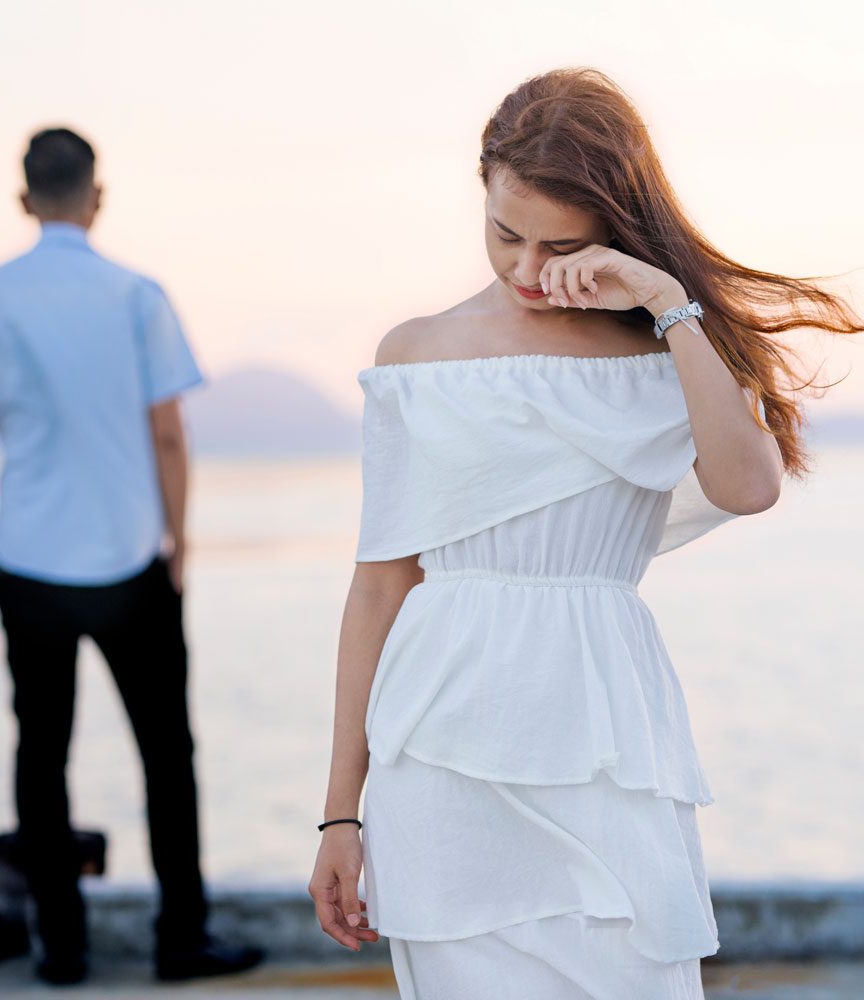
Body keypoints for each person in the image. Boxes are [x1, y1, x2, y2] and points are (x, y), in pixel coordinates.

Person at [308, 68, 862, 998]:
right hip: (440, 751)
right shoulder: (416, 356)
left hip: (608, 741)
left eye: (558, 243)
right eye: (504, 234)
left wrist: (664, 301)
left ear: (617, 224)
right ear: (479, 191)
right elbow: (380, 585)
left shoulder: (662, 349)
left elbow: (749, 485)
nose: (527, 269)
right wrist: (338, 818)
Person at [0, 127, 264, 986]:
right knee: (167, 756)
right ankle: (181, 940)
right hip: (131, 562)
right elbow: (167, 431)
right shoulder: (137, 294)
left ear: (23, 198)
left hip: (30, 564)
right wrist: (178, 541)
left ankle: (63, 952)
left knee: (40, 758)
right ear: (97, 196)